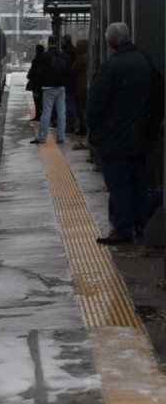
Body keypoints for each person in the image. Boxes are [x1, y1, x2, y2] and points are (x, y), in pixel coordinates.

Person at [87, 22, 151, 245]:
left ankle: (123, 229)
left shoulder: (111, 66)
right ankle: (142, 225)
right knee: (137, 183)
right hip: (140, 137)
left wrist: (94, 130)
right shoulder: (144, 62)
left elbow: (95, 103)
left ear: (110, 43)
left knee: (119, 185)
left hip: (115, 139)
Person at [30, 35, 69, 145]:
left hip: (48, 88)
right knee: (62, 112)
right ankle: (61, 138)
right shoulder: (63, 55)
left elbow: (39, 73)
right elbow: (69, 71)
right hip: (61, 87)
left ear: (48, 42)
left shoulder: (44, 56)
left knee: (46, 112)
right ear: (57, 42)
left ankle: (42, 137)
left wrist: (36, 89)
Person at [61, 34, 78, 132]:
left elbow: (67, 68)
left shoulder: (66, 53)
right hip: (72, 81)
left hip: (68, 82)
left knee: (69, 104)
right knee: (70, 103)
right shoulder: (73, 51)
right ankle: (71, 123)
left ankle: (70, 125)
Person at [72, 38, 89, 135]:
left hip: (80, 87)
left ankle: (83, 128)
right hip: (87, 86)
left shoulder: (81, 59)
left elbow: (73, 69)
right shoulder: (90, 57)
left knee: (81, 109)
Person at [26, 44, 45, 121]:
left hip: (36, 84)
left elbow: (34, 72)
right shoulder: (45, 59)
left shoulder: (36, 60)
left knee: (37, 101)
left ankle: (38, 116)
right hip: (44, 83)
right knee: (43, 101)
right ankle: (41, 115)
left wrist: (29, 76)